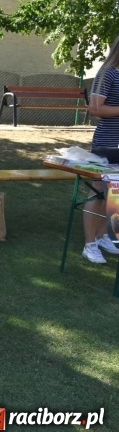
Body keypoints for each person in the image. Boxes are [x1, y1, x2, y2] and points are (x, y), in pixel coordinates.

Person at [81, 35, 119, 263]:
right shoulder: (108, 72)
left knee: (114, 193)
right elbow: (95, 109)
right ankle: (89, 244)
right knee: (97, 192)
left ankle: (105, 236)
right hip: (107, 142)